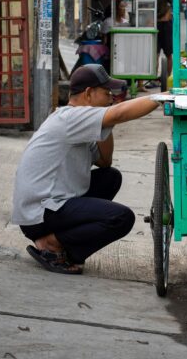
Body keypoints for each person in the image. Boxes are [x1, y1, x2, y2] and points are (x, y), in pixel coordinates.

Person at [12, 64, 162, 274]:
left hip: (50, 205)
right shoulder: (70, 117)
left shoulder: (79, 121)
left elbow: (104, 161)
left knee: (110, 177)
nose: (111, 98)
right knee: (121, 218)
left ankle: (61, 241)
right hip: (40, 212)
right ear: (89, 94)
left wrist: (105, 123)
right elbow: (119, 114)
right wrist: (165, 96)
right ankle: (53, 245)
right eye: (106, 93)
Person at [154, 0, 173, 85]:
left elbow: (176, 1)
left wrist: (168, 13)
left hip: (165, 24)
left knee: (168, 53)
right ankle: (154, 78)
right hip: (155, 24)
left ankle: (168, 77)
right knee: (155, 54)